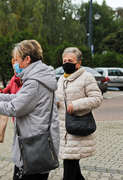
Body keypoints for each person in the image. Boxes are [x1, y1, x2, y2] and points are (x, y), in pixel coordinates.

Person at [0, 39, 60, 180]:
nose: (14, 63)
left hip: (33, 147)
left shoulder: (34, 82)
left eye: (17, 59)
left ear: (27, 59)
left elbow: (14, 107)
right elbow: (17, 98)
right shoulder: (38, 78)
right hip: (38, 144)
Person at [55, 47, 102, 180]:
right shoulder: (61, 80)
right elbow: (59, 99)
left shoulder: (87, 77)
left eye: (70, 60)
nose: (66, 63)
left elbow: (97, 99)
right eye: (64, 60)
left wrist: (76, 105)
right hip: (63, 129)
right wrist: (55, 102)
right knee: (73, 168)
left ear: (78, 63)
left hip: (77, 127)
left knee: (69, 166)